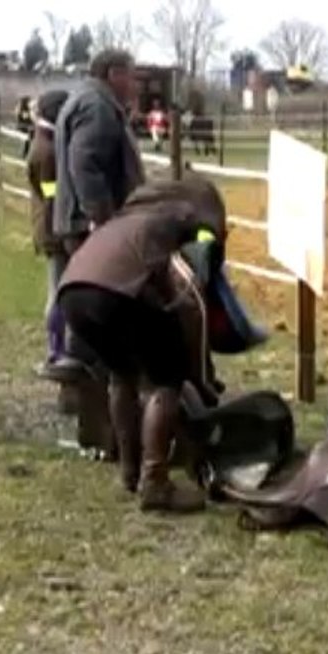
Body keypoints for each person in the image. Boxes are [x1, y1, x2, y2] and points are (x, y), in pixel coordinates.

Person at [56, 176, 226, 513]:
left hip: (73, 293)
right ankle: (155, 483)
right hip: (115, 291)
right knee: (167, 377)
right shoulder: (181, 220)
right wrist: (197, 371)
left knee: (121, 373)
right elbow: (187, 288)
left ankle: (129, 470)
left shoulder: (128, 219)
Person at [49, 49, 146, 381]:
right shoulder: (98, 107)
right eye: (132, 77)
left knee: (91, 301)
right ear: (113, 74)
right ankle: (92, 383)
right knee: (100, 306)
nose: (136, 85)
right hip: (89, 224)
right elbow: (85, 164)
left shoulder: (85, 99)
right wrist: (103, 220)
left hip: (77, 219)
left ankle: (90, 378)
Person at [26, 88, 71, 375]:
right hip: (54, 231)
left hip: (49, 227)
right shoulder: (49, 150)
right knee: (57, 293)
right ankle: (56, 351)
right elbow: (52, 194)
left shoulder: (45, 143)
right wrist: (64, 229)